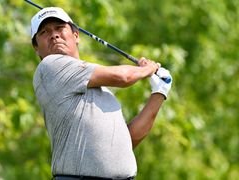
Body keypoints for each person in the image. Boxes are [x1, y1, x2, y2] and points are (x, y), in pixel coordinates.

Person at [31, 7, 172, 180]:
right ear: (36, 48)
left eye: (60, 28)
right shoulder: (49, 67)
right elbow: (123, 77)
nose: (54, 35)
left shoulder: (104, 93)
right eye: (44, 32)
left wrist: (159, 93)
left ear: (76, 35)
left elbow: (129, 141)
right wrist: (148, 69)